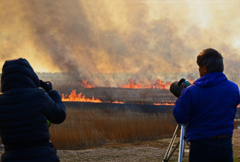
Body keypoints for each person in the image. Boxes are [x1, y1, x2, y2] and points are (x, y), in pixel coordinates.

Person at [173, 48, 240, 162]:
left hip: (201, 147)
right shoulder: (233, 88)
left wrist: (183, 95)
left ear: (205, 68)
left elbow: (180, 117)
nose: (199, 71)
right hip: (225, 145)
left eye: (199, 67)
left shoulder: (192, 91)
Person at [0, 58, 66, 162]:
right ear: (30, 75)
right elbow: (60, 116)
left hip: (12, 157)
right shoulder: (39, 96)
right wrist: (52, 92)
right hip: (43, 156)